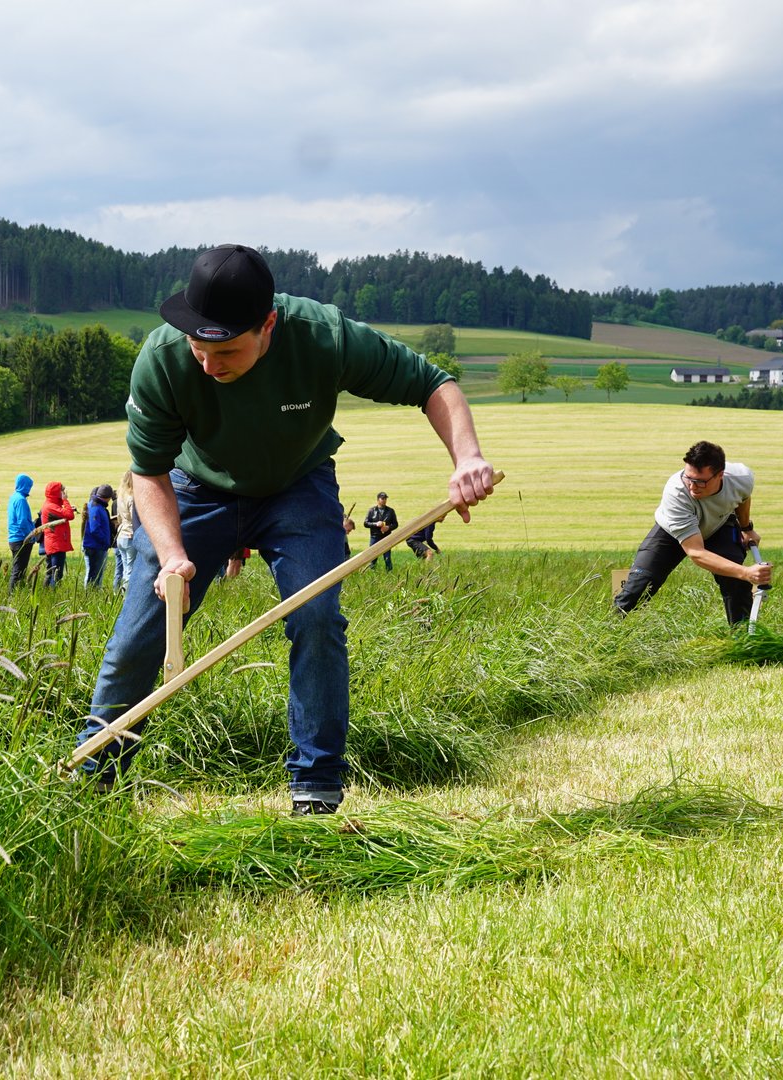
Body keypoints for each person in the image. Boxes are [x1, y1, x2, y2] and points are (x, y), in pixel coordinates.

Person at [74, 243, 494, 815]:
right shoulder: (163, 357)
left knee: (316, 616)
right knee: (143, 625)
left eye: (226, 350)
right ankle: (95, 777)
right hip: (195, 489)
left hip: (297, 486)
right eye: (199, 348)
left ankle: (316, 787)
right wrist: (171, 555)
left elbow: (433, 384)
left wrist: (467, 457)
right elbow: (148, 472)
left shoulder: (324, 337)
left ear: (267, 325)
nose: (208, 365)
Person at [613, 441, 770, 625]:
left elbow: (742, 497)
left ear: (720, 475)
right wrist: (746, 572)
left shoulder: (741, 477)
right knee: (640, 584)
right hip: (671, 533)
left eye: (700, 482)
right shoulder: (676, 492)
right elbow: (696, 553)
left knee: (735, 581)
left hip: (718, 525)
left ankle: (743, 638)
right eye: (689, 478)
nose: (692, 487)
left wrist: (746, 528)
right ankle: (610, 630)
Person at [40, 481, 76, 586]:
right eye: (62, 491)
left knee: (51, 572)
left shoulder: (50, 504)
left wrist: (67, 507)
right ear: (57, 493)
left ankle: (46, 592)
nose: (64, 493)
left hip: (53, 543)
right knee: (56, 574)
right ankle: (53, 592)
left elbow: (61, 513)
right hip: (56, 544)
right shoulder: (51, 506)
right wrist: (65, 500)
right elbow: (70, 516)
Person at [6, 473, 36, 589]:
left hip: (14, 538)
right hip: (21, 539)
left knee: (18, 570)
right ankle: (13, 595)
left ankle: (16, 593)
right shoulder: (21, 500)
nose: (30, 489)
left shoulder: (13, 497)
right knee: (19, 571)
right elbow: (22, 520)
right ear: (25, 485)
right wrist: (31, 535)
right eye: (29, 486)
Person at [83, 484, 114, 587]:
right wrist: (105, 541)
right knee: (94, 575)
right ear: (108, 497)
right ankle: (91, 592)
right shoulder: (96, 507)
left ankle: (92, 591)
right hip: (95, 546)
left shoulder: (97, 505)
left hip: (96, 545)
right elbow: (95, 529)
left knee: (95, 574)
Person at [113, 470, 139, 591]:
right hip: (130, 535)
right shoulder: (131, 498)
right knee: (131, 569)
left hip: (121, 534)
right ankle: (127, 595)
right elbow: (135, 519)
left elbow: (119, 517)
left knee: (125, 568)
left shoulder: (120, 497)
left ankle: (123, 593)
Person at [363, 492, 399, 570]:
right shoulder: (371, 510)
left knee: (387, 558)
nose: (384, 500)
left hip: (386, 536)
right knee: (372, 557)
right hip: (375, 536)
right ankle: (372, 572)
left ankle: (389, 573)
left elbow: (395, 524)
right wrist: (375, 524)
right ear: (378, 500)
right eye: (382, 498)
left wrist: (388, 527)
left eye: (385, 498)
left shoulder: (390, 511)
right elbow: (366, 523)